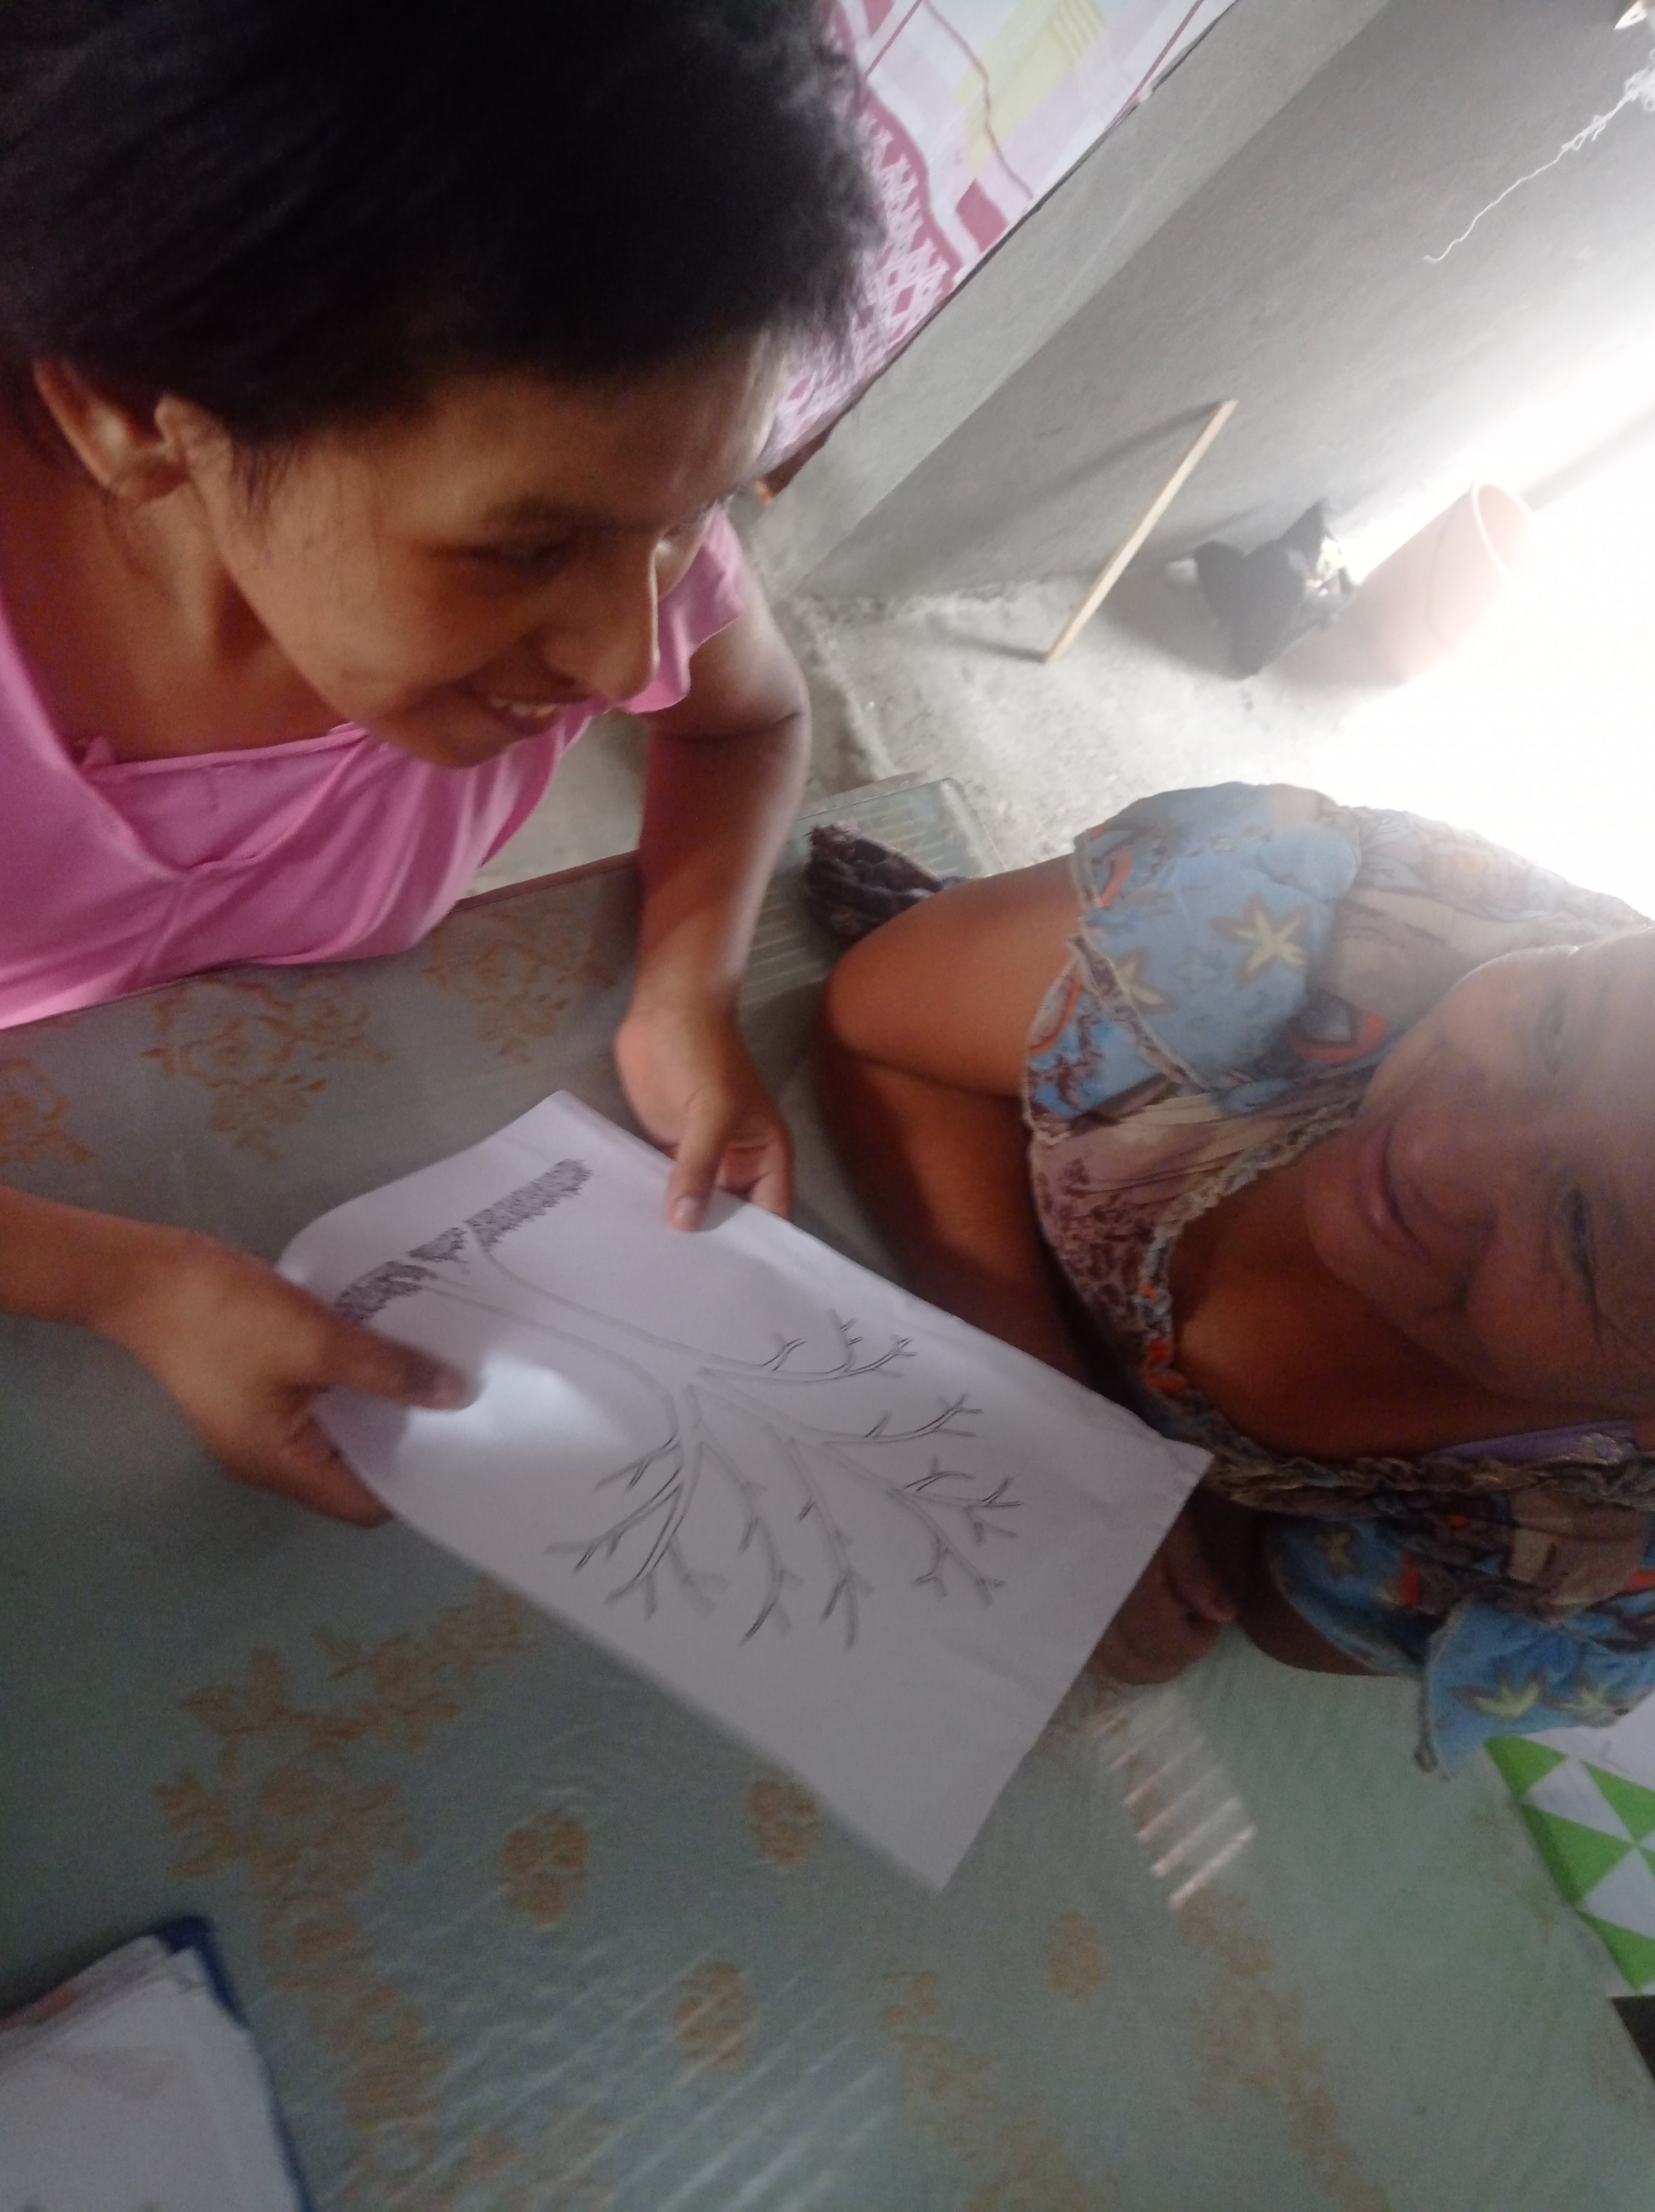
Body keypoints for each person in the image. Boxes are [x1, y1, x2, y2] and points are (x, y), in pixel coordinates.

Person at [0, 1, 877, 1520]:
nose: (626, 654)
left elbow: (747, 718)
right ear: (138, 417)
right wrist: (130, 1284)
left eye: (695, 514)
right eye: (524, 550)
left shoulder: (610, 508)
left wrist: (686, 982)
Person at [814, 784, 1655, 1766]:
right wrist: (1056, 1431)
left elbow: (1291, 1618)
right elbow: (886, 1039)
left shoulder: (1587, 1558)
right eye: (1555, 1025)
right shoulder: (1274, 933)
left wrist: (1167, 1528)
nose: (1436, 1150)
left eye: (1581, 1232)